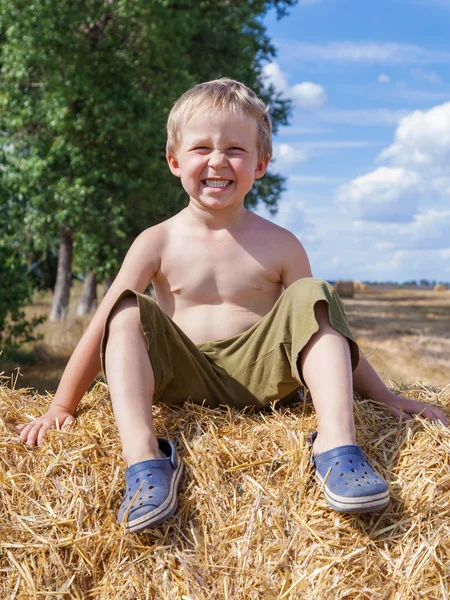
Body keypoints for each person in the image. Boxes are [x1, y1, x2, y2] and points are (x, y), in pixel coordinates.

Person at [16, 79, 448, 533]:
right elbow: (101, 327)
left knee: (312, 292)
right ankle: (145, 461)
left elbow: (322, 329)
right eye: (201, 147)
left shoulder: (281, 244)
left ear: (260, 164)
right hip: (183, 375)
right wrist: (61, 406)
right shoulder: (156, 241)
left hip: (264, 380)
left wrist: (386, 398)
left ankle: (336, 446)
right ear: (174, 161)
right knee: (124, 309)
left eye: (235, 150)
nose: (218, 161)